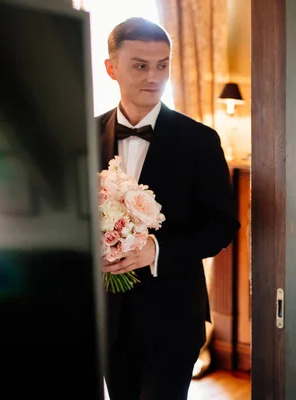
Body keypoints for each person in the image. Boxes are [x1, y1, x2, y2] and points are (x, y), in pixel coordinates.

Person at [97, 17, 240, 400]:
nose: (154, 76)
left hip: (174, 317)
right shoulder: (83, 137)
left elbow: (221, 225)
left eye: (162, 65)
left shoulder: (200, 140)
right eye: (140, 65)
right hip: (107, 321)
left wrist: (155, 249)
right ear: (111, 68)